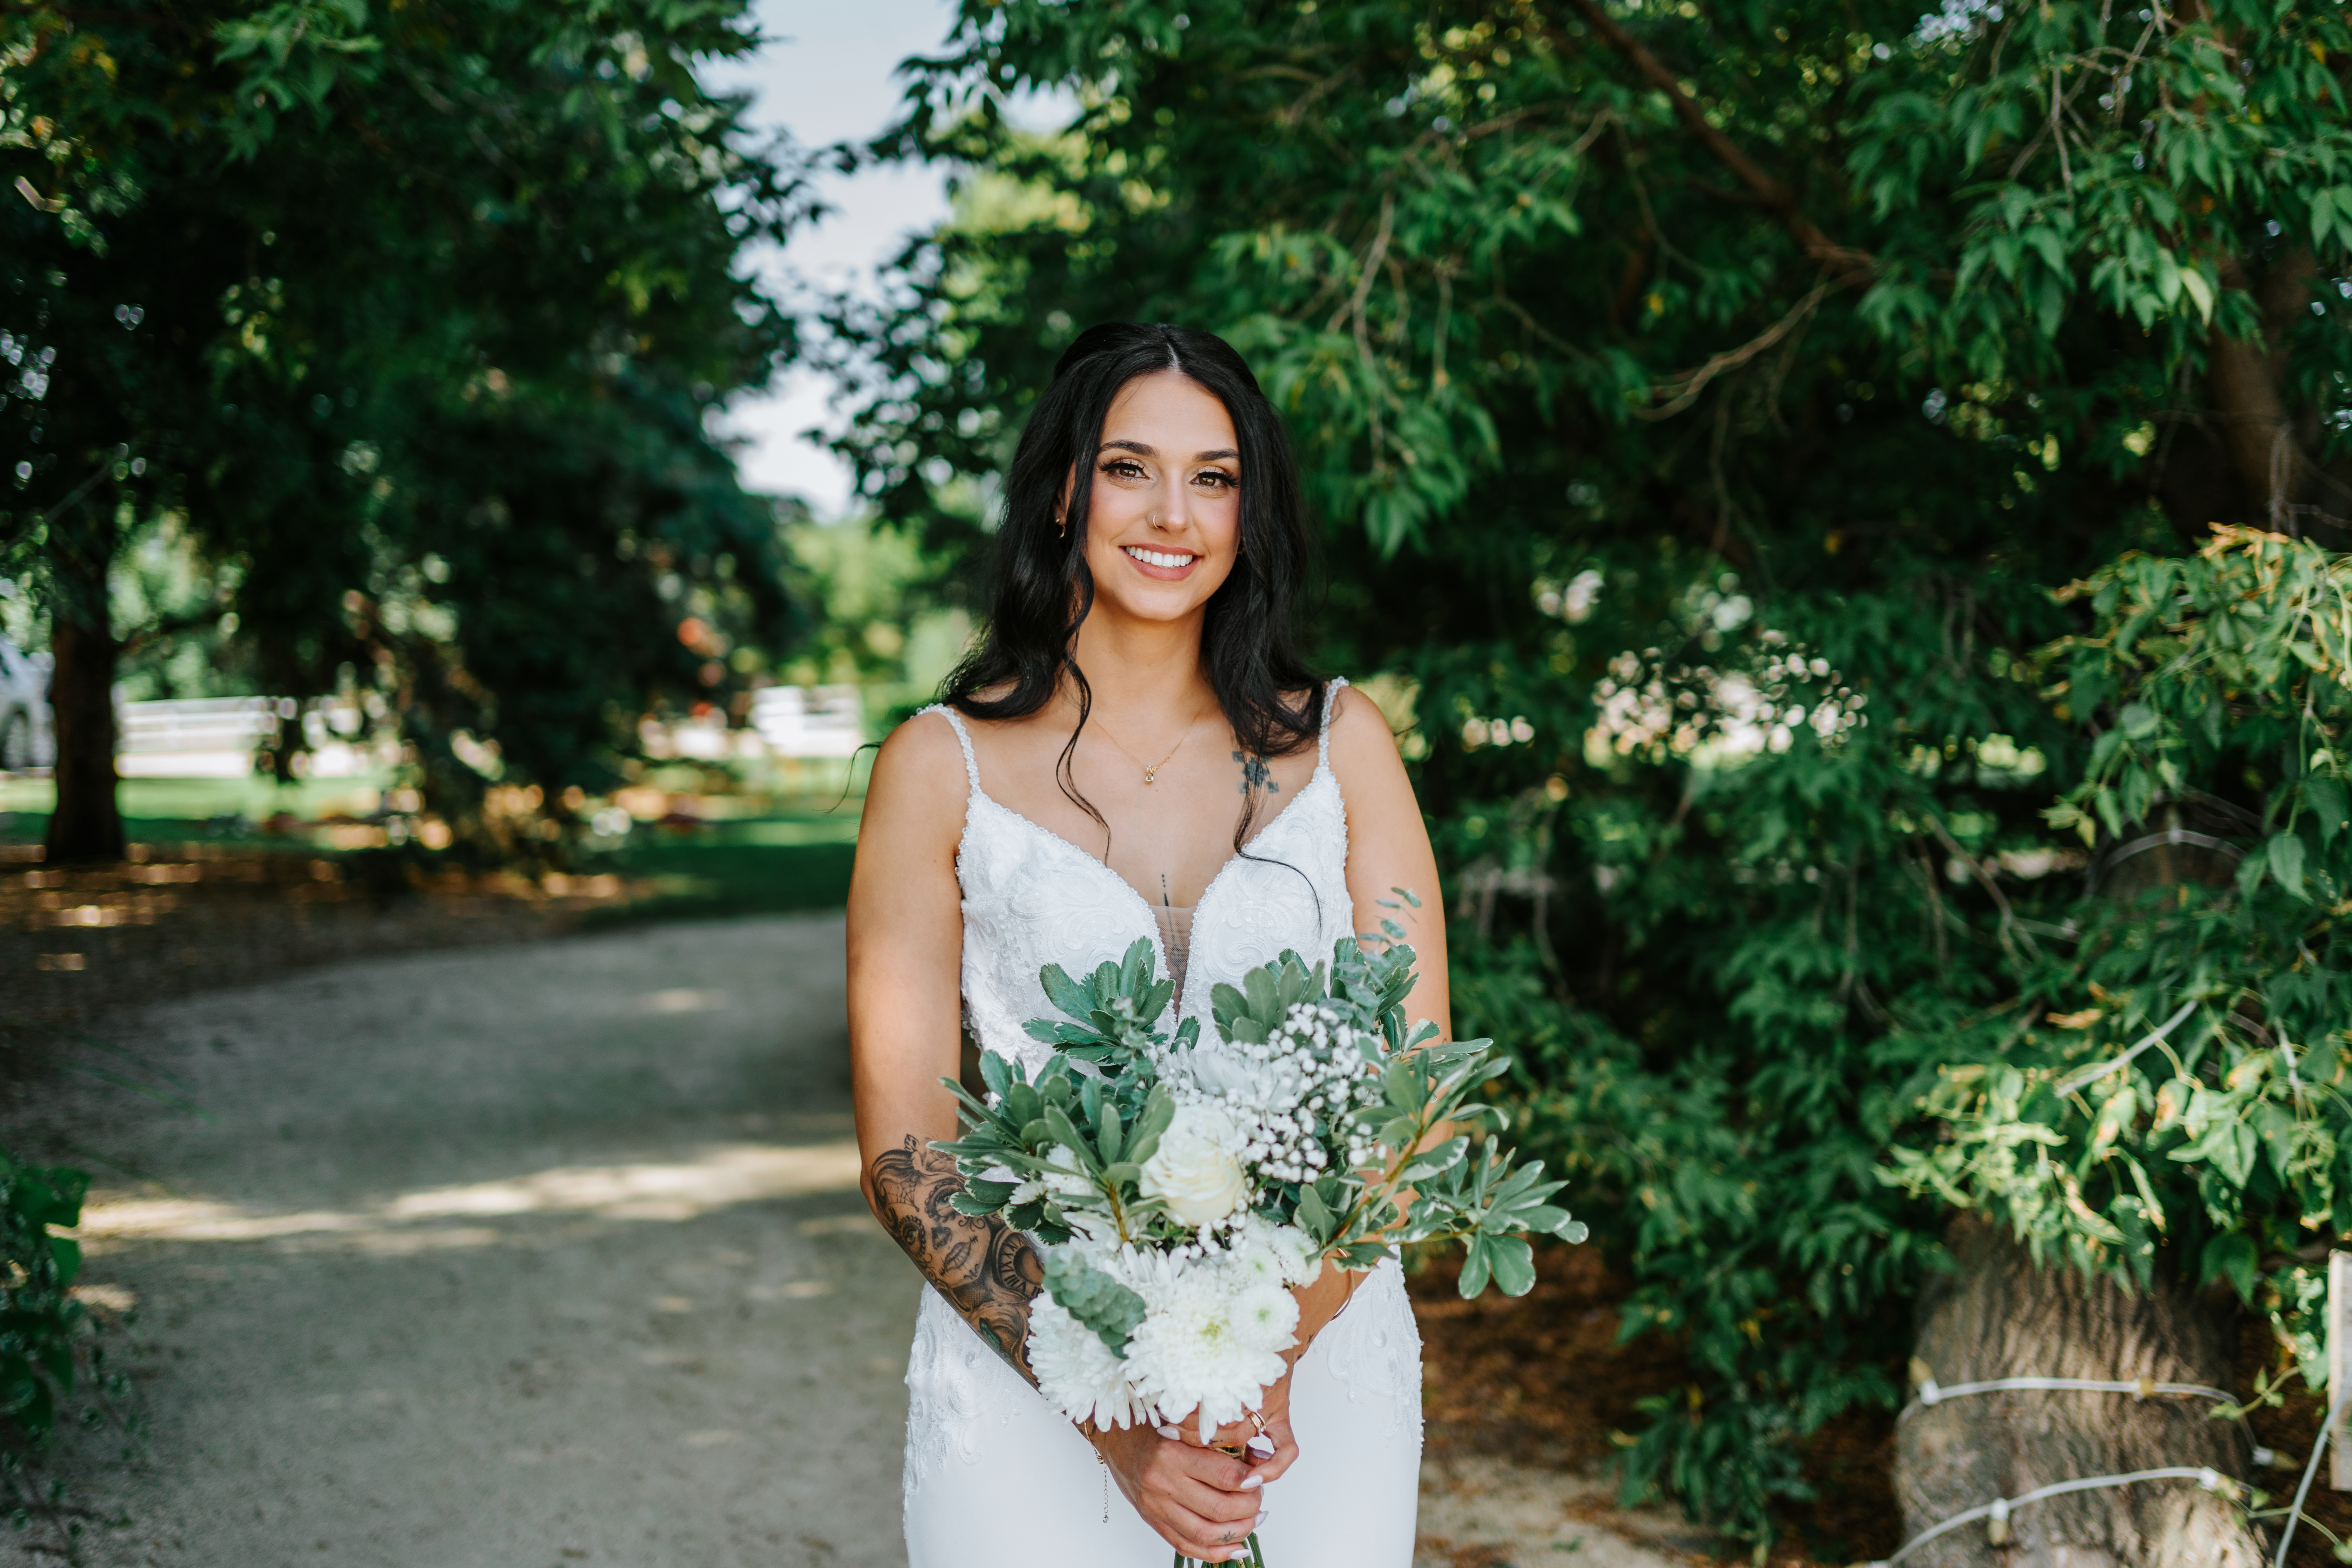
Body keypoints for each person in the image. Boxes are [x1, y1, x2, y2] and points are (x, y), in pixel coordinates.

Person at [847, 321, 1447, 1567]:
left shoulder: (1344, 748)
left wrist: (1269, 1357)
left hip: (1316, 1369)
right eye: (1131, 467)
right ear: (1067, 490)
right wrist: (1112, 1418)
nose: (1173, 511)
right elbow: (910, 1154)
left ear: (1249, 510)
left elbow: (1418, 1093)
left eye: (1214, 476)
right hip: (1034, 1357)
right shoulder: (937, 767)